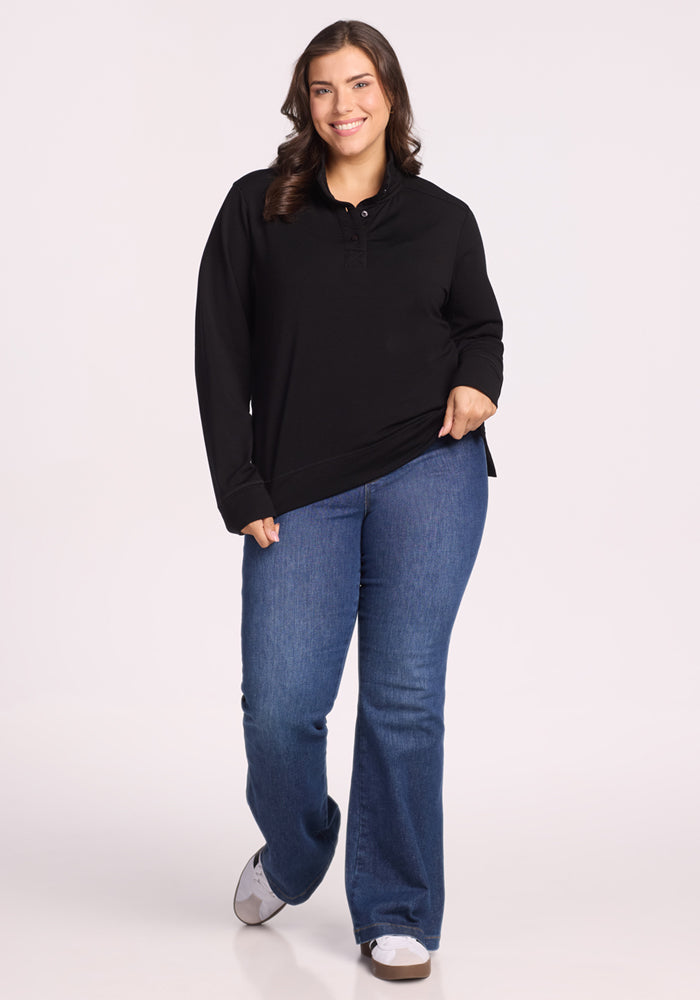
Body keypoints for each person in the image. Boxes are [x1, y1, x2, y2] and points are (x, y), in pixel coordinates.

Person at [194, 19, 504, 982]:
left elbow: (479, 324)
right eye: (324, 89)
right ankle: (295, 853)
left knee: (406, 701)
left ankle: (399, 908)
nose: (344, 106)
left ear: (391, 93)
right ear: (304, 100)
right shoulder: (260, 209)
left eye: (360, 84)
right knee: (281, 709)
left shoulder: (444, 218)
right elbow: (220, 350)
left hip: (431, 468)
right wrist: (238, 483)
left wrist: (480, 379)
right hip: (301, 491)